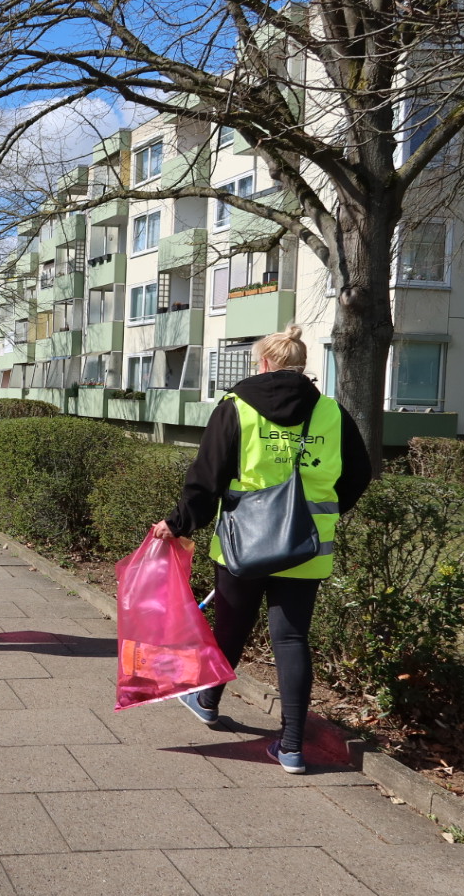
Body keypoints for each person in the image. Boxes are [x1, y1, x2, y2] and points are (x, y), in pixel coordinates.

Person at [150, 324, 370, 774]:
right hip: (308, 546)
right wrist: (321, 514)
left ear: (264, 362)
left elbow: (207, 477)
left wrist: (178, 523)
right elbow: (358, 474)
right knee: (291, 639)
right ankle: (291, 747)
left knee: (231, 629)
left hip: (242, 544)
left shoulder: (236, 406)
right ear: (302, 365)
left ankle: (208, 701)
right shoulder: (332, 412)